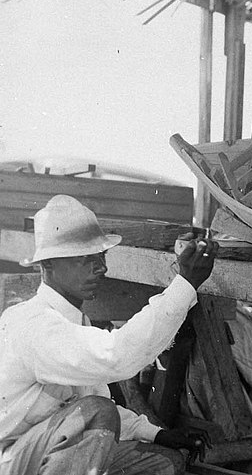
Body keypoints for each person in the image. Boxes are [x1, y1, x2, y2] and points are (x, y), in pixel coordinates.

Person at [0, 194, 219, 475]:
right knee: (95, 412)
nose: (101, 268)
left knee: (163, 463)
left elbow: (89, 396)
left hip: (47, 453)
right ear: (48, 265)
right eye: (84, 259)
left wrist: (156, 434)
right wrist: (186, 283)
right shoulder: (33, 323)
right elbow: (116, 358)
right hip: (12, 458)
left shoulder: (77, 323)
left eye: (100, 256)